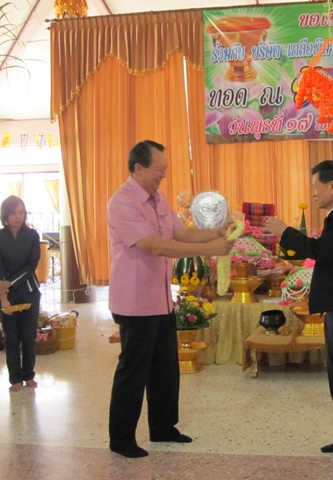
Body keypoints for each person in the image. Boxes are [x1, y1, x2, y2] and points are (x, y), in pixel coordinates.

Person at [107, 140, 235, 458]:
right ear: (138, 168)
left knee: (165, 367)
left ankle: (163, 428)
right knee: (134, 370)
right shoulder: (123, 202)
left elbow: (180, 233)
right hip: (135, 301)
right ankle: (121, 439)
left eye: (164, 170)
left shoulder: (158, 199)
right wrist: (208, 250)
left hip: (161, 299)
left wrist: (217, 233)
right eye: (158, 170)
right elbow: (154, 245)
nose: (162, 176)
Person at [265, 160, 333, 469]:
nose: (313, 193)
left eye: (315, 186)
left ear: (332, 186)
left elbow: (321, 251)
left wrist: (284, 231)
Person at [0, 195, 42, 393]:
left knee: (28, 336)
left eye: (21, 212)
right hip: (6, 293)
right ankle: (15, 379)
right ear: (5, 215)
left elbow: (31, 266)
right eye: (13, 213)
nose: (18, 217)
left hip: (29, 291)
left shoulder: (32, 235)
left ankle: (29, 375)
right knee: (11, 337)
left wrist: (9, 283)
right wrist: (3, 295)